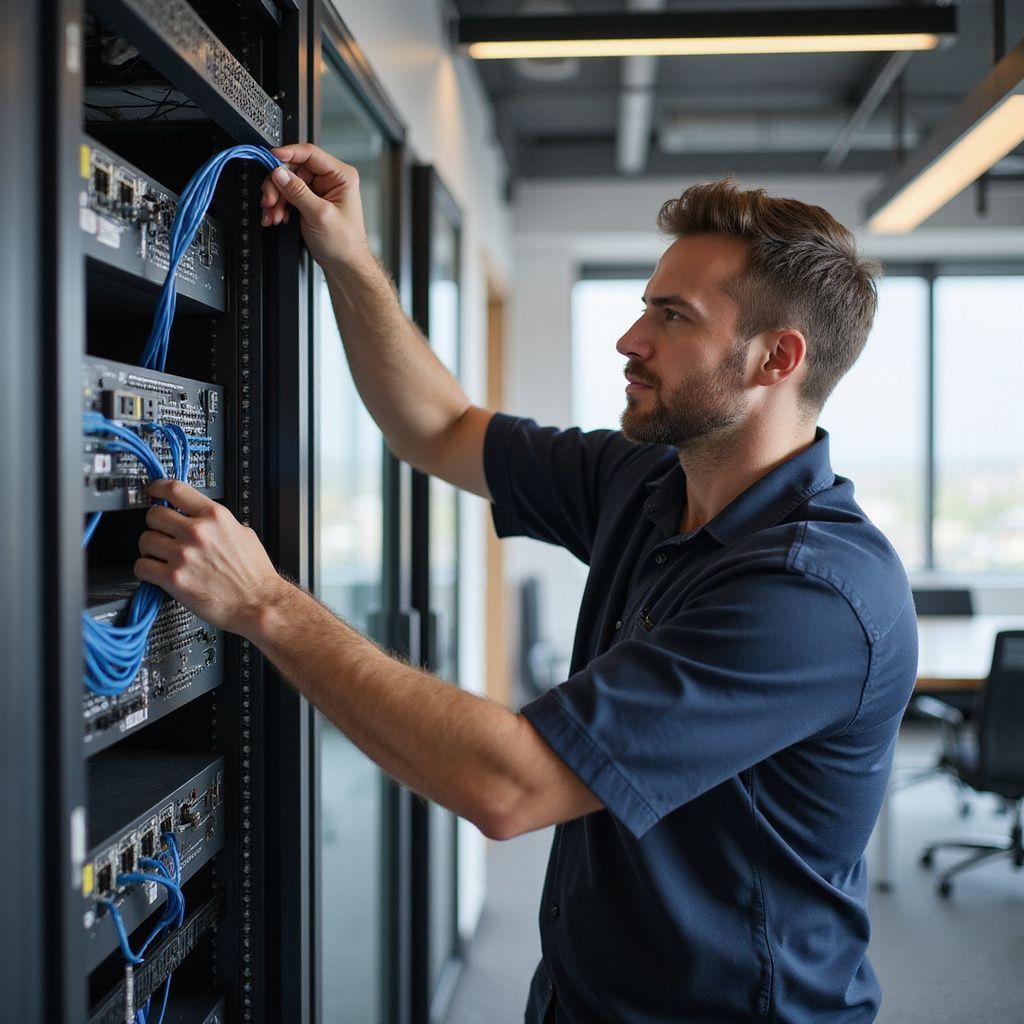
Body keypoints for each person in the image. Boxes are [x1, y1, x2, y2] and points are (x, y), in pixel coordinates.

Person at [136, 144, 918, 1023]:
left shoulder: (814, 596)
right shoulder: (649, 481)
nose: (631, 339)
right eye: (641, 308)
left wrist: (266, 604)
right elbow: (437, 426)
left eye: (672, 316)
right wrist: (351, 261)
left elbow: (510, 786)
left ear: (777, 359)